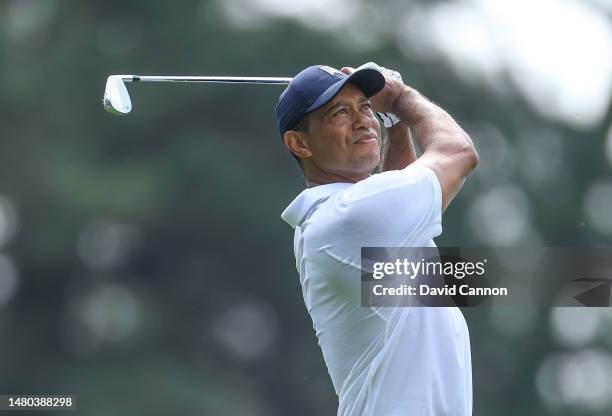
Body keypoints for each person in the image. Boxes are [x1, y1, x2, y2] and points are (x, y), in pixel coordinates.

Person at [276, 63, 479, 416]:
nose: (361, 120)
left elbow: (399, 201)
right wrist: (400, 99)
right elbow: (459, 153)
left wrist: (395, 125)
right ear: (299, 143)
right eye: (340, 112)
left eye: (366, 107)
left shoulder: (341, 218)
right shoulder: (348, 217)